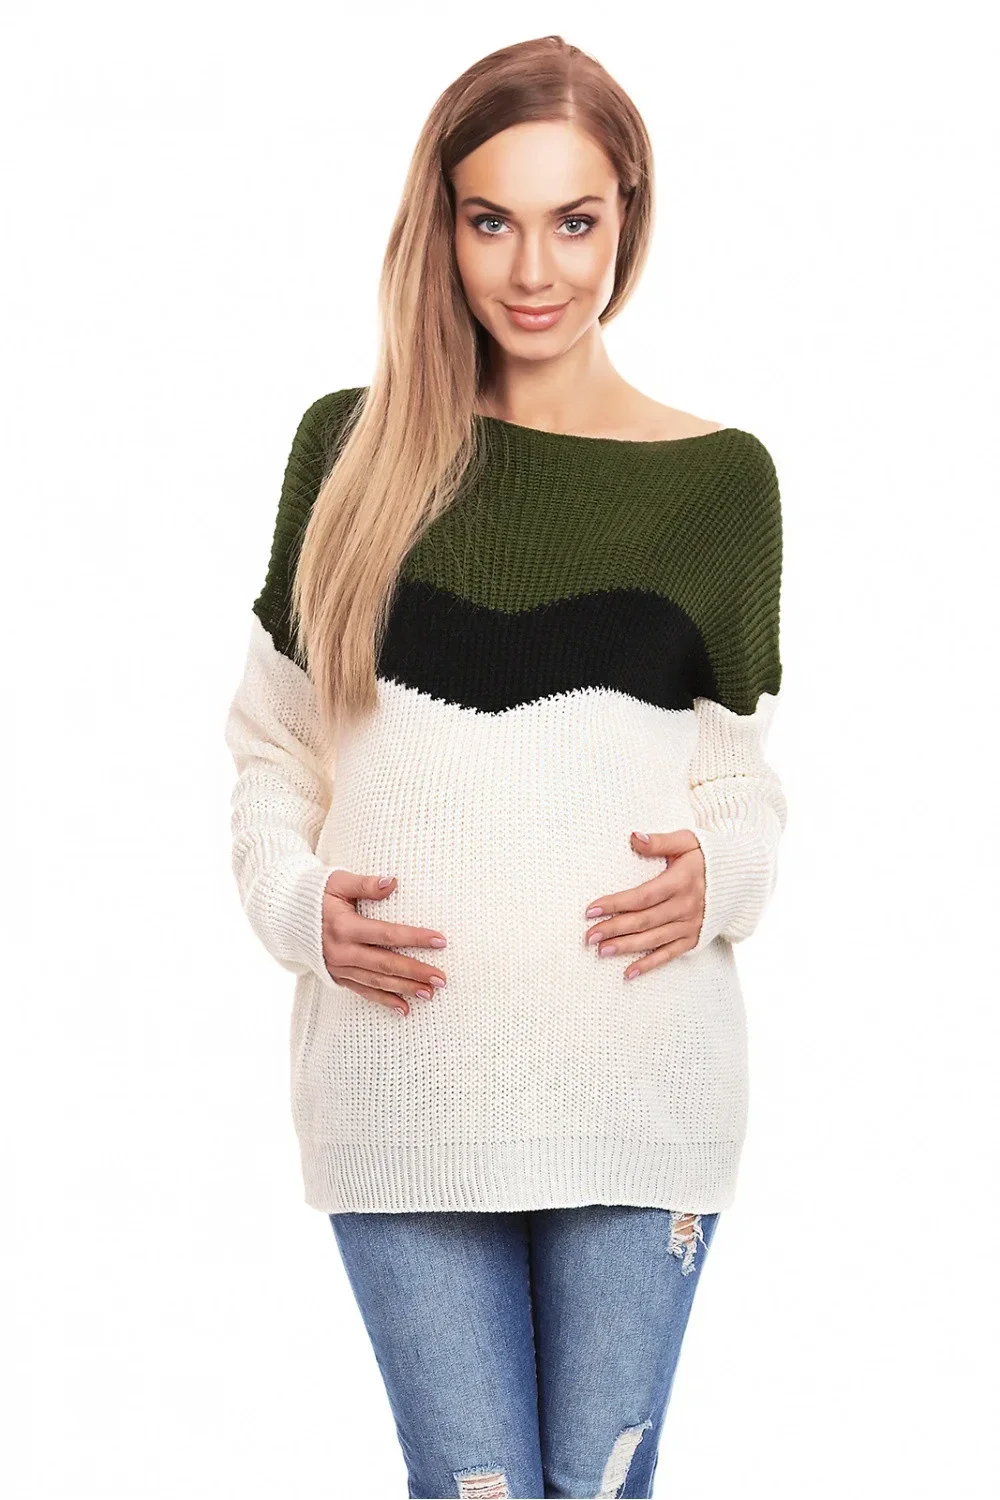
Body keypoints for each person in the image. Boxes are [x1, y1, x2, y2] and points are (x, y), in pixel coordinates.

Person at [223, 33, 787, 1500]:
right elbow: (273, 750)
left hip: (642, 1087)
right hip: (401, 1088)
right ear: (443, 224)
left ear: (628, 218)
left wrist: (724, 876)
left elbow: (743, 786)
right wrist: (297, 910)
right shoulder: (346, 453)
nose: (534, 270)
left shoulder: (720, 482)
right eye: (492, 220)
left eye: (573, 220)